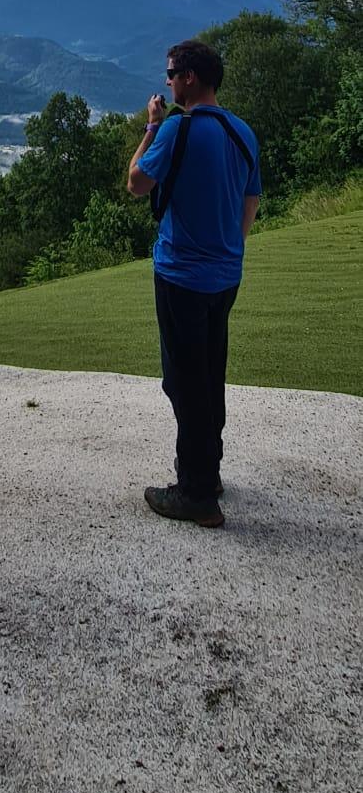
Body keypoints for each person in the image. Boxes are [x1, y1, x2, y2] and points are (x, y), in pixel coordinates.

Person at [127, 39, 261, 529]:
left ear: (188, 78)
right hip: (226, 277)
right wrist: (230, 250)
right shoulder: (243, 131)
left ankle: (197, 493)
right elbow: (251, 202)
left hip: (181, 274)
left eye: (170, 74)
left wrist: (151, 128)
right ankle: (209, 469)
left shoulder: (176, 129)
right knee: (209, 371)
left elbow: (136, 182)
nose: (166, 82)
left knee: (183, 380)